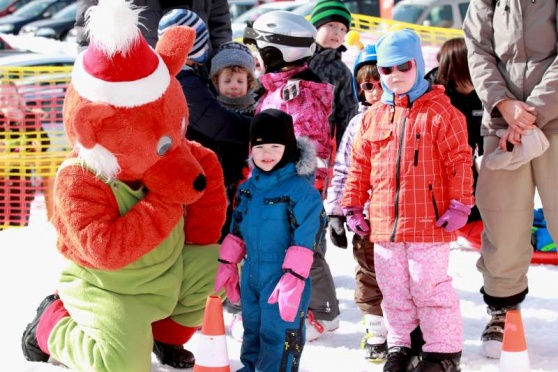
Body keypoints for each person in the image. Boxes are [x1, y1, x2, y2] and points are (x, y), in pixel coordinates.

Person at [20, 1, 227, 370]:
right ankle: (50, 325)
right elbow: (106, 250)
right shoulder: (79, 178)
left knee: (215, 269)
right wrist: (166, 196)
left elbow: (203, 176)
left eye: (177, 134)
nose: (177, 150)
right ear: (96, 128)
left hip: (166, 274)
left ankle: (164, 335)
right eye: (164, 146)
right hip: (109, 288)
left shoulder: (177, 151)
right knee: (121, 365)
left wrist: (201, 243)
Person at [341, 29, 473, 371]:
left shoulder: (443, 112)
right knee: (393, 288)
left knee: (428, 286)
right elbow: (359, 166)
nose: (395, 76)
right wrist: (352, 205)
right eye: (387, 70)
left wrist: (460, 204)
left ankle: (443, 351)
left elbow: (460, 160)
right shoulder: (373, 117)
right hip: (384, 222)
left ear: (418, 64)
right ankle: (401, 344)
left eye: (404, 66)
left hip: (429, 222)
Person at [463, 0, 558, 360]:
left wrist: (530, 114)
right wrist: (504, 105)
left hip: (554, 117)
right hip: (501, 123)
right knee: (503, 221)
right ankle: (503, 309)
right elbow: (478, 51)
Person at [244, 10, 341, 342]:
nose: (256, 57)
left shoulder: (295, 95)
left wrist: (298, 194)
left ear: (274, 51)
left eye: (259, 49)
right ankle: (289, 305)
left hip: (293, 193)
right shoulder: (277, 89)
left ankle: (323, 313)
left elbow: (310, 147)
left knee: (304, 249)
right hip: (272, 189)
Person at [214, 108, 326, 372]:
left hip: (283, 277)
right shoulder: (248, 189)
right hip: (252, 272)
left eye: (275, 146)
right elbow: (237, 228)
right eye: (260, 146)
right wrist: (229, 262)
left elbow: (306, 237)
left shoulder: (301, 192)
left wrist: (294, 277)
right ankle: (251, 367)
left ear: (288, 148)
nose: (266, 154)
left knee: (280, 333)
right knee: (252, 328)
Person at [158, 9, 252, 242]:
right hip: (192, 172)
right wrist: (261, 128)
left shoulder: (178, 76)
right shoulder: (184, 81)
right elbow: (218, 123)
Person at [323, 44, 388, 361]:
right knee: (368, 274)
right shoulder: (356, 125)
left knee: (404, 277)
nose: (375, 90)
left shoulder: (409, 117)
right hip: (366, 217)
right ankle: (376, 328)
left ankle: (407, 331)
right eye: (368, 84)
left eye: (380, 82)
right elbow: (343, 169)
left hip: (404, 218)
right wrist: (336, 212)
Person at [425, 37, 484, 248]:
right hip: (434, 164)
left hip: (466, 159)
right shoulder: (431, 92)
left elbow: (485, 133)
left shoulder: (482, 91)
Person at [75, 0, 232, 58]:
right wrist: (88, 72)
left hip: (198, 76)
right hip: (137, 79)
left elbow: (219, 23)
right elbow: (88, 26)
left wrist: (225, 63)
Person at [308, 0, 358, 147]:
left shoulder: (341, 71)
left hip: (320, 144)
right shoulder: (296, 57)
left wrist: (346, 153)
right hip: (285, 137)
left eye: (343, 29)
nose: (337, 32)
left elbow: (347, 114)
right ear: (315, 27)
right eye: (331, 25)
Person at [0, 81, 49, 230]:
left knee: (18, 231)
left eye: (11, 97)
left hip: (20, 189)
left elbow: (44, 143)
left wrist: (23, 121)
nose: (7, 102)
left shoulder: (28, 117)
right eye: (2, 98)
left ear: (19, 98)